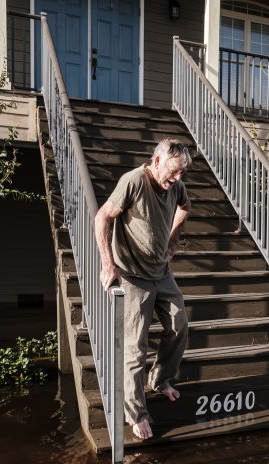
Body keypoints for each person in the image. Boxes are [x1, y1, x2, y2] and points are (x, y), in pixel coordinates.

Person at [94, 138, 192, 440]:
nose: (177, 179)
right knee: (135, 347)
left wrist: (173, 240)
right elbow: (103, 217)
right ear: (158, 160)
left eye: (182, 173)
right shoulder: (134, 181)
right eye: (173, 171)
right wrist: (108, 264)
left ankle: (160, 379)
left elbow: (185, 207)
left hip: (161, 273)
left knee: (179, 325)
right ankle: (136, 413)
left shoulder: (175, 186)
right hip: (132, 275)